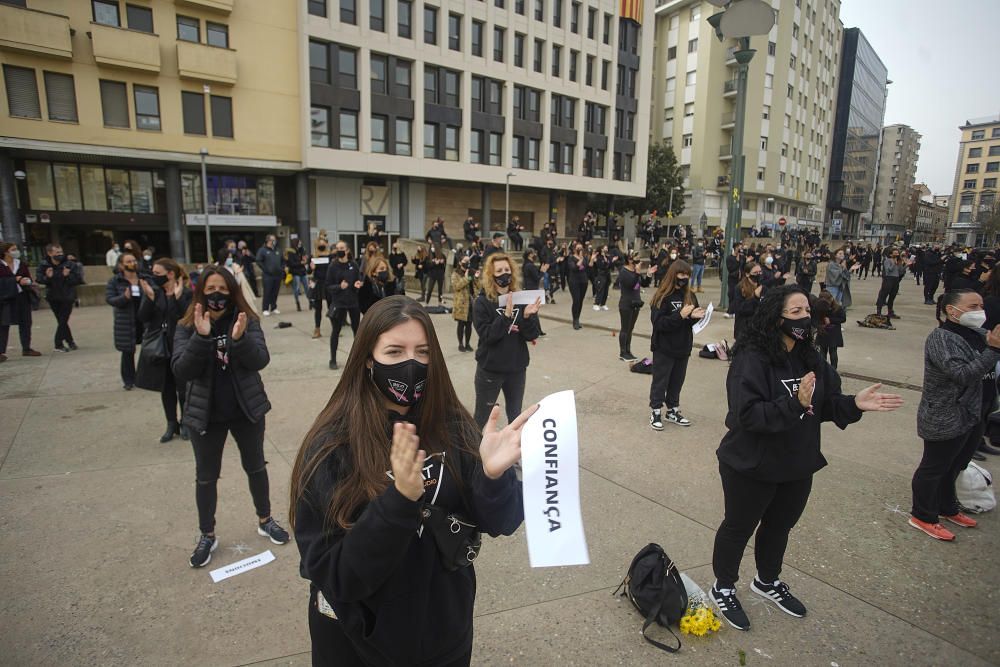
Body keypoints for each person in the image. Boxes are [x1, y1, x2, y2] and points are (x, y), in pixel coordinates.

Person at [289, 296, 534, 665]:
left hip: (443, 639)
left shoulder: (451, 425)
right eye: (394, 351)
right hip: (358, 646)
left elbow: (500, 520)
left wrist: (493, 476)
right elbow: (335, 574)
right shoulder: (331, 445)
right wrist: (399, 502)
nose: (411, 364)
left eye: (422, 352)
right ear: (367, 360)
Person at [710, 285, 902, 631]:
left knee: (780, 526)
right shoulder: (751, 358)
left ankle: (767, 581)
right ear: (775, 316)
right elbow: (747, 414)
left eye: (806, 312)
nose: (804, 318)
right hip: (751, 464)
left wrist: (854, 404)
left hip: (796, 462)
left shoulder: (809, 356)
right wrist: (794, 404)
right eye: (795, 312)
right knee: (738, 528)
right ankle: (723, 586)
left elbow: (826, 404)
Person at [172, 266, 289, 568]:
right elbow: (181, 370)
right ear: (200, 291)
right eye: (211, 288)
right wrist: (201, 337)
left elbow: (261, 359)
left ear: (232, 292)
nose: (217, 295)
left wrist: (239, 341)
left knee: (256, 467)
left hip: (245, 410)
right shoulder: (188, 324)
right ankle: (207, 534)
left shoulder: (245, 320)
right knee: (206, 477)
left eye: (223, 289)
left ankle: (265, 519)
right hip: (206, 416)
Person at [909, 289, 1000, 540]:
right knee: (934, 467)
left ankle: (947, 507)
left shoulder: (980, 335)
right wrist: (993, 350)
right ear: (952, 310)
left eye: (980, 305)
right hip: (947, 413)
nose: (979, 311)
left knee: (956, 464)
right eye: (972, 306)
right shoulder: (942, 338)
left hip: (975, 412)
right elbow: (962, 374)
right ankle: (923, 514)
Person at [472, 253, 542, 428]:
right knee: (482, 417)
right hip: (490, 370)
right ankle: (474, 453)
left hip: (516, 369)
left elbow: (531, 335)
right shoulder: (482, 302)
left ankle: (513, 452)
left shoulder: (521, 298)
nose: (504, 273)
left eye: (507, 269)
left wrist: (527, 316)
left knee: (515, 416)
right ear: (491, 275)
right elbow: (487, 336)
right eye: (499, 270)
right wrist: (505, 316)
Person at [139, 258, 192, 442]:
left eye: (158, 274)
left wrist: (177, 299)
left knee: (183, 388)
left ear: (170, 274)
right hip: (161, 348)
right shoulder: (154, 293)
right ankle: (171, 424)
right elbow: (143, 317)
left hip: (180, 346)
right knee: (166, 388)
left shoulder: (185, 293)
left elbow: (188, 319)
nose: (154, 277)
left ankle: (186, 422)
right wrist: (150, 299)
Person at [648, 260, 704, 430]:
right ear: (674, 275)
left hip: (683, 346)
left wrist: (695, 317)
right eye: (681, 274)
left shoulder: (690, 296)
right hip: (664, 348)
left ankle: (672, 410)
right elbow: (658, 324)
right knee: (661, 381)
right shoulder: (662, 296)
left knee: (677, 381)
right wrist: (679, 316)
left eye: (687, 275)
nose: (684, 278)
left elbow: (689, 323)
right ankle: (656, 411)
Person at [105, 253, 144, 390]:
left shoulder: (144, 279)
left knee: (148, 350)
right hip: (126, 321)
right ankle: (129, 380)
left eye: (134, 260)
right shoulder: (115, 281)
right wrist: (124, 297)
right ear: (121, 265)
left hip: (143, 320)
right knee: (128, 352)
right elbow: (110, 299)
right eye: (129, 261)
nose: (132, 263)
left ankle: (144, 378)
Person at [36, 244, 83, 353]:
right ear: (50, 253)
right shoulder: (44, 265)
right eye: (57, 253)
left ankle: (58, 343)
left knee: (63, 319)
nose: (60, 254)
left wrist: (67, 276)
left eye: (61, 252)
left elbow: (78, 279)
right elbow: (39, 279)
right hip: (53, 296)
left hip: (67, 296)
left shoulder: (70, 264)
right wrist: (47, 277)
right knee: (61, 320)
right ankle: (70, 341)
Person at [324, 241, 363, 370]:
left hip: (353, 302)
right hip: (339, 302)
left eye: (342, 248)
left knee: (357, 332)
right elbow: (328, 285)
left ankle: (358, 359)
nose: (339, 250)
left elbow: (358, 279)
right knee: (336, 331)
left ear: (347, 250)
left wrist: (358, 285)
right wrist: (339, 287)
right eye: (337, 248)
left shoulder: (353, 264)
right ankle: (333, 359)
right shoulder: (333, 266)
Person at [0, 242, 41, 362]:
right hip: (5, 299)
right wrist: (15, 279)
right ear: (5, 252)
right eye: (13, 249)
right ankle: (1, 351)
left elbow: (27, 277)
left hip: (22, 296)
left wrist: (26, 281)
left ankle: (26, 348)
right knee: (3, 324)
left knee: (26, 322)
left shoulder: (20, 264)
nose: (16, 251)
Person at [616, 251, 653, 362]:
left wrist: (649, 274)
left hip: (636, 304)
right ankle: (623, 352)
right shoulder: (624, 271)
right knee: (625, 328)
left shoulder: (635, 271)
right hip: (626, 304)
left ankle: (628, 351)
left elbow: (644, 284)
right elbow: (631, 284)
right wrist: (637, 273)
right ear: (630, 260)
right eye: (636, 258)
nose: (639, 260)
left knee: (630, 329)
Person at [811, 290, 846, 369]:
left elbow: (843, 318)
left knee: (833, 352)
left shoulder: (838, 308)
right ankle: (822, 368)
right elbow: (815, 319)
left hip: (834, 334)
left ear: (831, 299)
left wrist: (831, 320)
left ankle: (833, 369)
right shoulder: (819, 307)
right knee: (822, 352)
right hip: (823, 332)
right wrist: (819, 325)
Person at [731, 262, 764, 344]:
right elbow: (740, 309)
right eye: (755, 273)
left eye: (760, 272)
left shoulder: (762, 287)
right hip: (744, 328)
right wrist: (755, 297)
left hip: (759, 328)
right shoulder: (740, 288)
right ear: (747, 274)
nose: (758, 274)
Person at [452, 255, 477, 351]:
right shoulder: (456, 274)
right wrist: (467, 278)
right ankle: (460, 344)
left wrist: (476, 278)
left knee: (469, 324)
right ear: (460, 262)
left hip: (470, 302)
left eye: (468, 260)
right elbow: (456, 286)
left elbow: (477, 287)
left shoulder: (471, 272)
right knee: (461, 324)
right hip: (461, 303)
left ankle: (467, 344)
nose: (467, 262)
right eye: (465, 260)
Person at [521, 249, 547, 337]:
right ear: (529, 255)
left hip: (529, 289)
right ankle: (536, 331)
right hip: (531, 290)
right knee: (533, 312)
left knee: (534, 312)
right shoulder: (529, 265)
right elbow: (537, 277)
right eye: (533, 253)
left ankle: (538, 330)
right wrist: (542, 271)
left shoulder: (527, 264)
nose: (535, 254)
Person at [310, 241, 333, 338]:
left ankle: (335, 328)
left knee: (331, 306)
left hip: (328, 283)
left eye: (323, 244)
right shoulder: (314, 256)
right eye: (320, 244)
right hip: (318, 283)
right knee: (318, 308)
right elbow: (308, 270)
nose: (322, 246)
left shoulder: (330, 257)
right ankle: (317, 329)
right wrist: (312, 268)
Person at [256, 234, 283, 316]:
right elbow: (258, 261)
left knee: (275, 292)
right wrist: (266, 269)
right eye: (273, 240)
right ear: (268, 241)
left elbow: (283, 260)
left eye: (275, 239)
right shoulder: (262, 250)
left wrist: (282, 268)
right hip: (268, 275)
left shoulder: (278, 250)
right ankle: (265, 308)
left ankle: (274, 307)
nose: (275, 241)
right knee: (267, 292)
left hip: (278, 275)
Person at [875, 248, 905, 318]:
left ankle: (890, 312)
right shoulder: (887, 261)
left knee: (892, 296)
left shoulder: (898, 261)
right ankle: (878, 312)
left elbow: (901, 272)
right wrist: (894, 263)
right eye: (895, 253)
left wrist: (906, 265)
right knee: (883, 295)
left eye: (897, 253)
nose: (897, 255)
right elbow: (888, 270)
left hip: (896, 279)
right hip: (888, 279)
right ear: (891, 254)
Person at [567, 242, 590, 330]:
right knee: (576, 300)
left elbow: (588, 266)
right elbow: (574, 268)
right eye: (578, 248)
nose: (580, 249)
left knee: (580, 301)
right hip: (574, 281)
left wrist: (591, 260)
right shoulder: (571, 258)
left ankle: (578, 318)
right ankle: (575, 320)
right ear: (574, 249)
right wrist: (580, 259)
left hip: (583, 281)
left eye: (581, 248)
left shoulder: (584, 258)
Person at [285, 238, 310, 312]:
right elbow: (291, 263)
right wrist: (300, 263)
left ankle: (310, 302)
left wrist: (305, 259)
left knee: (307, 288)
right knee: (296, 289)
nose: (300, 244)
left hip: (302, 272)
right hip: (295, 272)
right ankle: (297, 303)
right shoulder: (290, 252)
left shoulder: (301, 250)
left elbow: (305, 258)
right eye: (299, 243)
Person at [591, 246, 612, 311]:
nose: (606, 249)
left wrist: (606, 258)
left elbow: (609, 265)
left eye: (606, 248)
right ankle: (596, 304)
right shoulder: (598, 257)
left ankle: (603, 304)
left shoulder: (607, 257)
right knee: (600, 290)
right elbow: (600, 265)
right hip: (600, 275)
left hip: (607, 275)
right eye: (604, 248)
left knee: (606, 290)